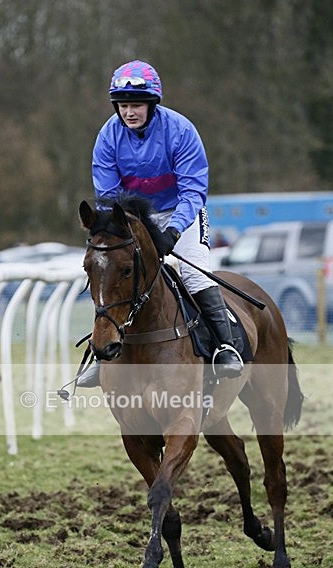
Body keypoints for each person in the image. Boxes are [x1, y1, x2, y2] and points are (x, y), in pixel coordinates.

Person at [79, 59, 243, 386]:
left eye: (137, 104)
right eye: (123, 105)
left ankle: (225, 347)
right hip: (133, 219)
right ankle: (101, 353)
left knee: (194, 275)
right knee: (112, 273)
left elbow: (194, 189)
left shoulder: (181, 130)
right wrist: (123, 228)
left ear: (152, 104)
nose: (130, 112)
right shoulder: (107, 136)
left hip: (181, 212)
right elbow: (108, 195)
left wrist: (173, 230)